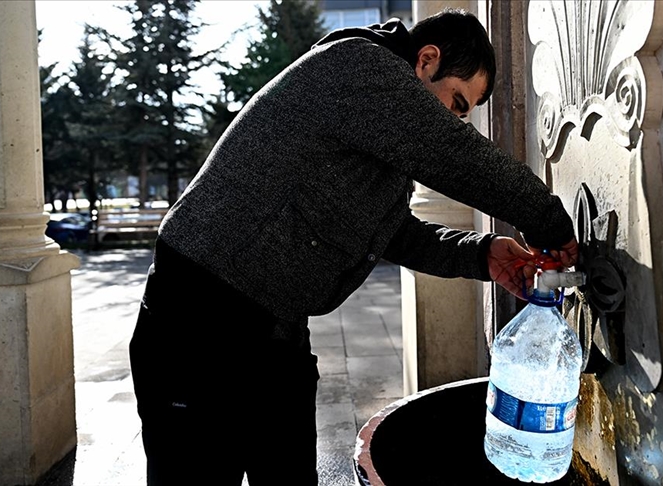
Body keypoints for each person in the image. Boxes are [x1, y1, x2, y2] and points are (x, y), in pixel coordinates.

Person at [129, 8, 578, 486]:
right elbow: (458, 157)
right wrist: (550, 224)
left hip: (274, 330)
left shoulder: (376, 129)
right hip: (196, 322)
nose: (454, 124)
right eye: (456, 104)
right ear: (426, 61)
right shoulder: (362, 68)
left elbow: (391, 231)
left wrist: (480, 254)